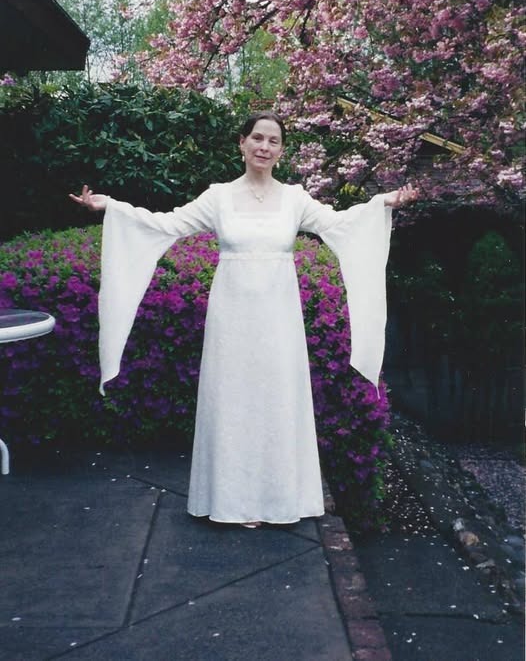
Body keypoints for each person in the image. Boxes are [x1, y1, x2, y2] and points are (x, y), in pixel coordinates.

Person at [70, 111, 418, 528]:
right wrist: (110, 206)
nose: (264, 147)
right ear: (242, 143)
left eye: (273, 141)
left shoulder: (295, 199)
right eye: (257, 138)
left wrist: (383, 202)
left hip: (279, 319)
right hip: (231, 319)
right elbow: (167, 224)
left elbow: (341, 224)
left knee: (277, 400)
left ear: (281, 150)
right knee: (233, 401)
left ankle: (279, 501)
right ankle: (233, 503)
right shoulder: (218, 197)